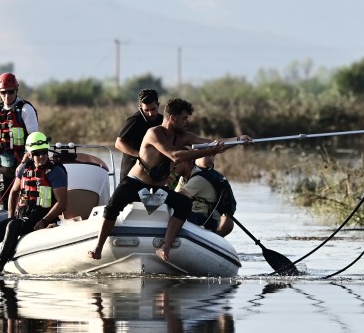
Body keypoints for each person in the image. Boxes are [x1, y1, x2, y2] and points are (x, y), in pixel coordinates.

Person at [86, 98, 250, 263]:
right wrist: (210, 150)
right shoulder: (154, 133)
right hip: (135, 183)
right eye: (184, 118)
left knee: (184, 204)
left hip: (157, 189)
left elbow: (213, 143)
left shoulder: (184, 137)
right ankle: (98, 247)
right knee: (113, 206)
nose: (187, 122)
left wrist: (238, 140)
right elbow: (174, 155)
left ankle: (165, 246)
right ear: (173, 118)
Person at [0, 132, 68, 274]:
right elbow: (13, 193)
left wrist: (45, 220)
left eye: (44, 152)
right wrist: (11, 216)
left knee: (14, 225)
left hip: (41, 215)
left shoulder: (56, 172)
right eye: (37, 153)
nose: (42, 156)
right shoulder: (24, 169)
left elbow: (62, 203)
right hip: (23, 216)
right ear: (30, 155)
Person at [0, 72, 39, 206]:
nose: (7, 96)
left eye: (10, 92)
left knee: (23, 205)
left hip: (23, 167)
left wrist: (23, 164)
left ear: (16, 90)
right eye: (3, 92)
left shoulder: (26, 110)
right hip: (3, 169)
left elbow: (34, 142)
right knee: (4, 207)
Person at [173, 155, 235, 237]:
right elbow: (175, 195)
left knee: (174, 213)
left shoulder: (199, 178)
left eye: (174, 165)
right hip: (195, 214)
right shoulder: (184, 177)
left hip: (203, 219)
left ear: (185, 163)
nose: (172, 168)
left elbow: (178, 198)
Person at [114, 88, 163, 182]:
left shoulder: (162, 120)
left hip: (152, 174)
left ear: (158, 105)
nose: (150, 113)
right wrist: (140, 155)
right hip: (131, 172)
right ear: (140, 107)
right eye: (146, 110)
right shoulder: (135, 120)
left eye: (153, 109)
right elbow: (119, 143)